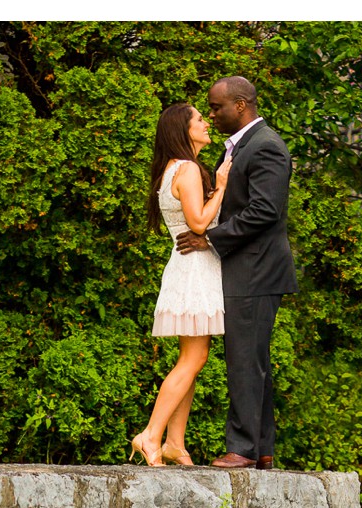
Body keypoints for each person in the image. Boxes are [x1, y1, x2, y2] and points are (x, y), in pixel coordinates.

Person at [175, 76, 296, 469]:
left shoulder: (266, 147)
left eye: (216, 107)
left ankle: (241, 449)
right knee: (251, 357)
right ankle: (262, 450)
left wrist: (210, 239)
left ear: (241, 105)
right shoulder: (243, 146)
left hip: (257, 271)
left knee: (244, 358)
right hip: (247, 269)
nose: (211, 114)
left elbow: (265, 211)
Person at [130, 103, 232, 468]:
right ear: (183, 130)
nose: (207, 124)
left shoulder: (174, 169)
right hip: (195, 271)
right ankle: (151, 435)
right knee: (194, 358)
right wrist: (220, 187)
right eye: (199, 120)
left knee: (191, 359)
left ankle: (174, 442)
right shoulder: (187, 169)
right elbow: (200, 224)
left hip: (188, 268)